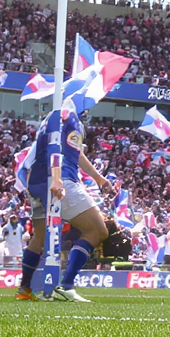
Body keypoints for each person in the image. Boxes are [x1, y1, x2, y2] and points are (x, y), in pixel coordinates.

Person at [17, 108, 112, 302]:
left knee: (40, 238)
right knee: (98, 230)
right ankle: (66, 286)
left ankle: (24, 289)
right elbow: (55, 150)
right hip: (60, 180)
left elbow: (73, 152)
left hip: (35, 182)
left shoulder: (50, 118)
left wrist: (98, 178)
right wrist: (58, 179)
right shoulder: (70, 118)